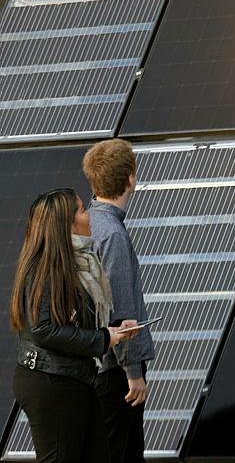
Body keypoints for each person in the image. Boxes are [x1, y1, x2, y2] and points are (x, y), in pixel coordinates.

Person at [10, 188, 137, 463]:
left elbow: (75, 320)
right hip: (52, 382)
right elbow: (42, 330)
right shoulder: (46, 268)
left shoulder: (77, 263)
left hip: (76, 377)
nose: (88, 215)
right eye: (81, 210)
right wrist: (103, 339)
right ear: (64, 225)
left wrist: (115, 328)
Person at [83, 139, 154, 463]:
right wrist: (133, 371)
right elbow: (120, 309)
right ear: (130, 180)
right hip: (115, 371)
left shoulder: (88, 223)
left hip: (95, 361)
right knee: (123, 453)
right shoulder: (111, 233)